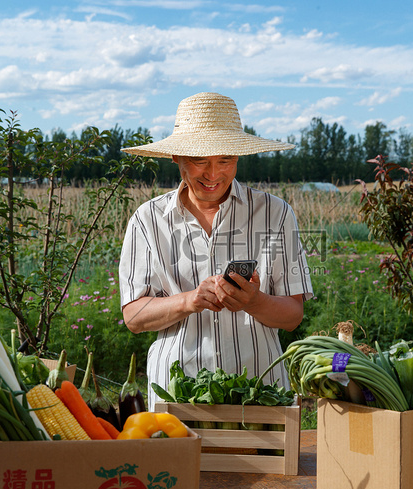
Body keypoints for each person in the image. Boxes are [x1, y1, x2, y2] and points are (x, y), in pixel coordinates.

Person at [118, 92, 314, 409]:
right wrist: (189, 300)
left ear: (239, 156)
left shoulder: (274, 213)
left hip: (260, 392)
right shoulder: (148, 220)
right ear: (176, 158)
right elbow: (134, 317)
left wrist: (254, 301)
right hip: (176, 396)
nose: (213, 174)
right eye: (199, 160)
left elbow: (293, 316)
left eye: (225, 160)